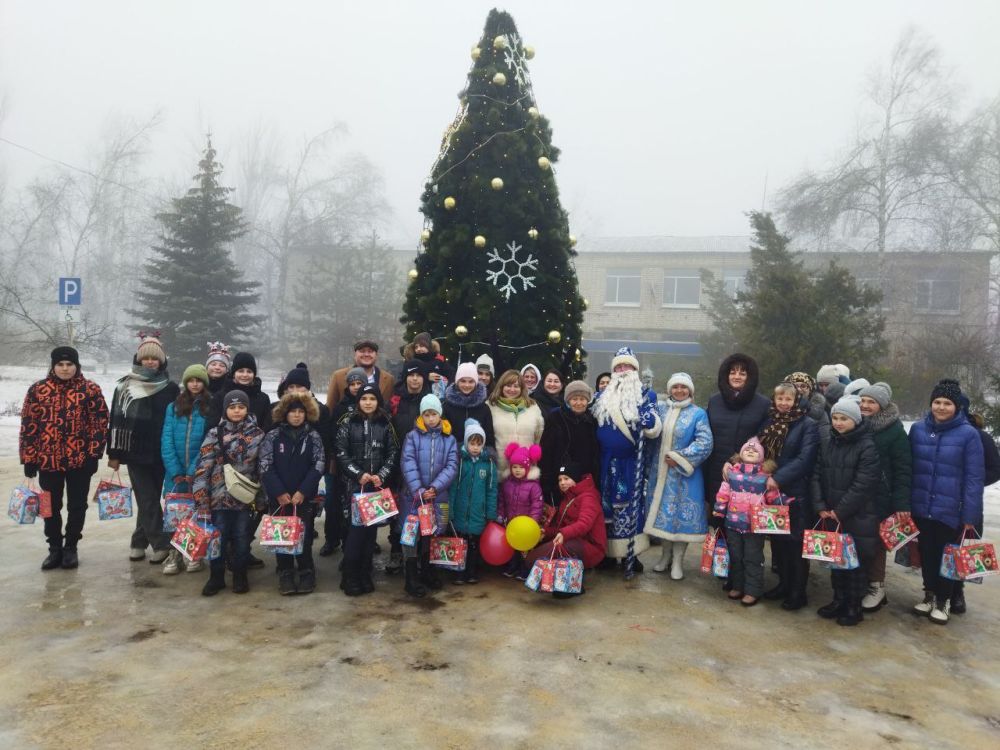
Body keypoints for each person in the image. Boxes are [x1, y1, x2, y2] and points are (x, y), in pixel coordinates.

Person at [19, 346, 108, 570]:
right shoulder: (38, 390)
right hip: (48, 461)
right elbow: (29, 425)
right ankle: (54, 548)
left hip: (80, 461)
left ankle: (71, 548)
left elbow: (100, 423)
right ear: (53, 366)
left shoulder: (90, 390)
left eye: (69, 364)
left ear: (76, 366)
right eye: (60, 364)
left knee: (77, 506)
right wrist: (29, 458)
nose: (65, 368)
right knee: (50, 506)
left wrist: (94, 454)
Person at [909, 379, 984, 624]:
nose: (941, 407)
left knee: (947, 556)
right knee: (927, 554)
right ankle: (929, 595)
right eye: (937, 402)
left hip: (950, 508)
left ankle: (945, 600)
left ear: (957, 406)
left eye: (947, 403)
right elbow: (910, 468)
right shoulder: (918, 429)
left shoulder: (969, 434)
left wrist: (970, 515)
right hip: (921, 505)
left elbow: (974, 478)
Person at [108, 333, 180, 564]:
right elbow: (116, 420)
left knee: (147, 499)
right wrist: (114, 453)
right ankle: (160, 544)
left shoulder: (170, 388)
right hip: (135, 452)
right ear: (139, 359)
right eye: (146, 358)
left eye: (154, 358)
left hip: (161, 452)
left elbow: (175, 420)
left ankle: (138, 541)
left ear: (162, 361)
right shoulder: (125, 386)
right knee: (147, 499)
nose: (150, 362)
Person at [811, 397, 882, 626]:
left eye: (844, 419)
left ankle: (853, 605)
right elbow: (816, 474)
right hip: (830, 513)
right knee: (836, 560)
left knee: (855, 564)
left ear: (856, 420)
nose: (839, 423)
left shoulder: (867, 445)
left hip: (857, 515)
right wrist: (820, 506)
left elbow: (864, 484)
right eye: (835, 418)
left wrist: (840, 511)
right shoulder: (829, 441)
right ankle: (838, 599)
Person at [592, 346, 662, 576]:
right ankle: (609, 553)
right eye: (619, 367)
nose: (623, 370)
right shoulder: (601, 397)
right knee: (606, 508)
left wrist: (648, 419)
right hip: (604, 462)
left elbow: (654, 425)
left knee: (629, 508)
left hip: (629, 463)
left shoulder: (645, 395)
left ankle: (631, 555)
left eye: (627, 366)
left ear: (634, 369)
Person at [193, 390, 266, 596]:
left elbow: (262, 468)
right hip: (218, 498)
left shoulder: (258, 435)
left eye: (241, 407)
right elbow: (203, 467)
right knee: (219, 538)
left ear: (247, 409)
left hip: (244, 500)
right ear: (226, 409)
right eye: (232, 407)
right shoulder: (215, 434)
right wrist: (201, 498)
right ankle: (216, 576)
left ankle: (240, 575)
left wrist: (262, 498)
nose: (236, 411)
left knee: (243, 538)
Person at [644, 373, 713, 580]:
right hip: (660, 474)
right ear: (670, 389)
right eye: (676, 387)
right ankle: (665, 556)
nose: (680, 390)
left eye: (684, 387)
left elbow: (705, 442)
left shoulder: (698, 414)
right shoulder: (660, 409)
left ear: (690, 390)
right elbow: (651, 435)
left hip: (685, 475)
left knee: (680, 518)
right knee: (664, 516)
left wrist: (679, 457)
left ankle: (678, 561)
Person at [757, 381, 819, 610]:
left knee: (795, 544)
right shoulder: (769, 421)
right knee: (778, 541)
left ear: (796, 401)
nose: (783, 403)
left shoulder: (807, 424)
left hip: (795, 492)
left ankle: (797, 591)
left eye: (788, 399)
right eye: (780, 398)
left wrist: (779, 478)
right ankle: (783, 584)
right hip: (771, 492)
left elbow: (805, 459)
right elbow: (759, 447)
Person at [335, 384, 399, 596]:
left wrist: (381, 474)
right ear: (358, 401)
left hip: (376, 488)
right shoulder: (348, 421)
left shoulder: (385, 423)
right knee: (355, 534)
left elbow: (392, 453)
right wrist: (358, 473)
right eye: (364, 399)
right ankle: (350, 576)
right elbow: (341, 453)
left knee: (370, 535)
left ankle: (365, 573)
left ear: (378, 401)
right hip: (355, 488)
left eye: (372, 398)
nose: (368, 402)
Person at [260, 391, 325, 595]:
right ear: (284, 414)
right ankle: (286, 571)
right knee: (282, 535)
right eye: (292, 412)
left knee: (303, 536)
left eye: (300, 412)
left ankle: (306, 570)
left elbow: (319, 464)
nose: (296, 415)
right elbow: (265, 465)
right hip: (279, 498)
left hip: (303, 498)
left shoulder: (313, 436)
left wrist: (303, 491)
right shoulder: (273, 436)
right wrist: (278, 491)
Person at [857, 382, 911, 612]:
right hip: (859, 494)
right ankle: (861, 583)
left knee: (877, 544)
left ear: (882, 405)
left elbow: (903, 469)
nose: (866, 406)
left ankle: (876, 586)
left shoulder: (894, 431)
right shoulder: (857, 424)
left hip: (882, 495)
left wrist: (901, 502)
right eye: (863, 401)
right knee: (860, 540)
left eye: (871, 402)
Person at [400, 394, 459, 596]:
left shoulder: (448, 439)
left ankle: (427, 570)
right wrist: (419, 490)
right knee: (412, 535)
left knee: (432, 534)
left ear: (440, 415)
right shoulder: (412, 437)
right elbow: (408, 463)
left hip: (437, 497)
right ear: (421, 416)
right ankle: (411, 576)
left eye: (434, 414)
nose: (431, 418)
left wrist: (435, 487)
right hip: (414, 498)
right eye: (427, 414)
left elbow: (452, 465)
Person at [525, 462, 608, 597]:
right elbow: (560, 527)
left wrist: (563, 533)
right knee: (533, 558)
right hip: (574, 541)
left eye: (566, 478)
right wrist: (546, 533)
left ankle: (574, 584)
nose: (562, 483)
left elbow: (584, 524)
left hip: (592, 547)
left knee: (537, 558)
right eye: (560, 479)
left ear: (575, 479)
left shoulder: (588, 497)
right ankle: (562, 583)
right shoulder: (567, 498)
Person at [160, 364, 213, 575]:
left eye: (199, 380)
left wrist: (193, 470)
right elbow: (166, 440)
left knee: (195, 513)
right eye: (191, 380)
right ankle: (174, 554)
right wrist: (175, 469)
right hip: (174, 473)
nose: (195, 384)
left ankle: (194, 553)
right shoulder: (173, 407)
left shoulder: (209, 407)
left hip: (198, 473)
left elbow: (207, 441)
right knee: (175, 513)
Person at [713, 437, 778, 605]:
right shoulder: (732, 473)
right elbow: (723, 493)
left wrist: (780, 503)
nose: (750, 452)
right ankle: (737, 585)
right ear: (740, 454)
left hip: (754, 526)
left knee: (753, 557)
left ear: (762, 456)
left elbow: (772, 496)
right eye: (747, 450)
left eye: (755, 451)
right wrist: (719, 510)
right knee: (736, 556)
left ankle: (753, 590)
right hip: (733, 523)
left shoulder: (765, 476)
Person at [704, 354, 771, 516]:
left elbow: (763, 437)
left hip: (749, 476)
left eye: (742, 373)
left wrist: (734, 461)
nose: (737, 376)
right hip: (716, 471)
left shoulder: (763, 404)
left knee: (744, 527)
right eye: (733, 372)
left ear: (750, 376)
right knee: (718, 523)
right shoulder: (714, 401)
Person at [320, 367, 368, 557]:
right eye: (353, 384)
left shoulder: (370, 403)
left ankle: (357, 544)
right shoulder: (341, 407)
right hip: (342, 464)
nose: (356, 387)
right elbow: (333, 434)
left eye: (360, 384)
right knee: (335, 504)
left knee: (360, 506)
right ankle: (332, 539)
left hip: (365, 466)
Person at [449, 420, 498, 585]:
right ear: (466, 442)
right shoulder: (460, 462)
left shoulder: (488, 464)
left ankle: (472, 571)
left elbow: (491, 490)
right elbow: (453, 488)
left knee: (474, 544)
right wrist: (450, 510)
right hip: (461, 510)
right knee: (460, 542)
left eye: (479, 444)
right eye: (472, 443)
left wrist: (490, 512)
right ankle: (459, 572)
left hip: (478, 512)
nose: (475, 447)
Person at [538, 380, 600, 507]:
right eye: (574, 399)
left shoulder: (591, 420)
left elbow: (594, 450)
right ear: (568, 400)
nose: (578, 403)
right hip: (561, 476)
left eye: (582, 399)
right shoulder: (556, 418)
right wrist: (547, 477)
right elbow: (547, 449)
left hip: (584, 477)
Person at [488, 370, 545, 480]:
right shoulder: (491, 406)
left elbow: (539, 437)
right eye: (508, 385)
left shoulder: (532, 407)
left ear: (522, 388)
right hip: (499, 470)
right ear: (501, 386)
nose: (512, 389)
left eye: (516, 386)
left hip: (526, 470)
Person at [498, 442, 544, 578]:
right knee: (512, 547)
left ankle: (525, 569)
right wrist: (500, 515)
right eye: (515, 467)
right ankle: (513, 566)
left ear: (528, 468)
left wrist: (532, 522)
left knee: (525, 549)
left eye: (521, 467)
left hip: (526, 525)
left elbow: (537, 505)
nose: (517, 470)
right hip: (511, 523)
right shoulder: (507, 484)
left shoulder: (533, 486)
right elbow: (502, 501)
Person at [210, 352, 272, 432]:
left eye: (249, 371)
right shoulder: (220, 396)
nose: (245, 375)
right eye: (241, 371)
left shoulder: (263, 399)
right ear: (233, 373)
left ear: (254, 374)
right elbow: (212, 425)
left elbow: (266, 427)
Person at [327, 340, 395, 408]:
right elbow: (330, 407)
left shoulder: (389, 379)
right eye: (362, 351)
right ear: (355, 355)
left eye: (370, 351)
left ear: (376, 355)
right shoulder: (338, 376)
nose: (366, 354)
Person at [442, 362, 495, 448]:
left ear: (476, 383)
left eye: (471, 381)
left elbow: (489, 439)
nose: (467, 385)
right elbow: (443, 435)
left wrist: (489, 455)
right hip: (452, 455)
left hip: (477, 457)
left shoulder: (484, 408)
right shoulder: (447, 406)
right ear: (457, 382)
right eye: (463, 381)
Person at [403, 332, 454, 399]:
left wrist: (447, 390)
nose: (418, 349)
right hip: (417, 398)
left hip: (439, 399)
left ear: (428, 346)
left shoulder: (439, 360)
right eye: (416, 347)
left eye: (421, 346)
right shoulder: (411, 362)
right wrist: (426, 377)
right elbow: (404, 379)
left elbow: (452, 376)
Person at [786, 372, 830, 446]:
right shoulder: (779, 408)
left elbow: (825, 440)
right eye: (795, 386)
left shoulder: (820, 411)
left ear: (810, 389)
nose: (799, 389)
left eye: (803, 386)